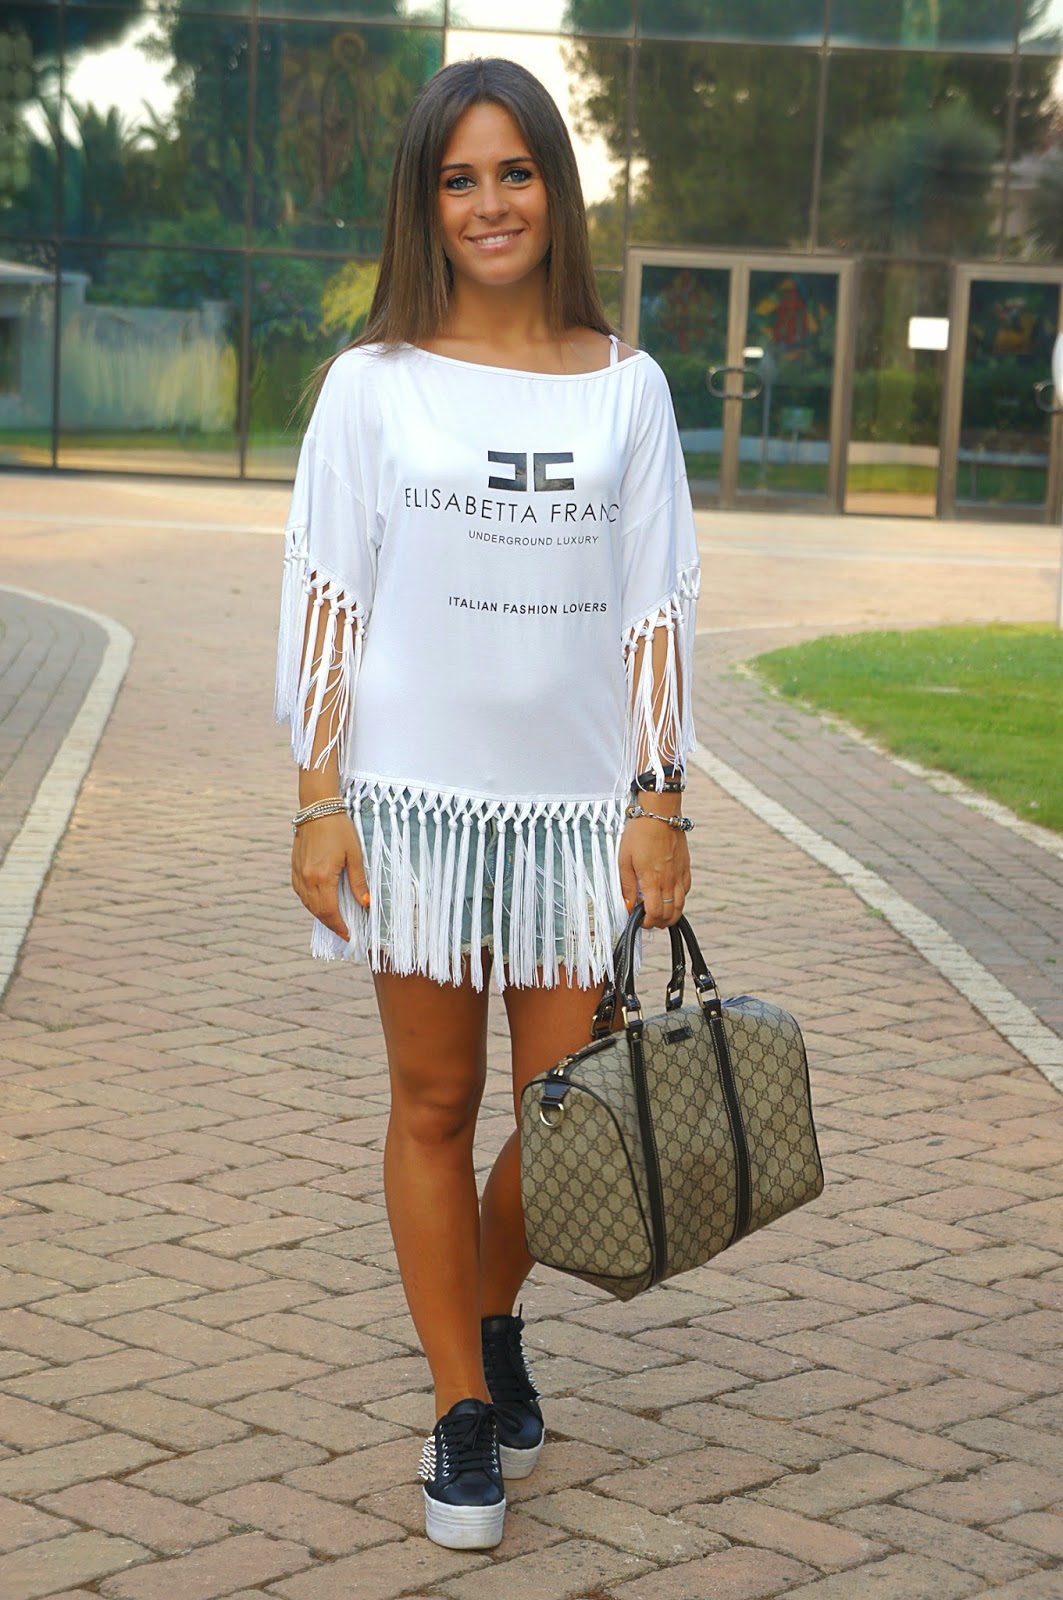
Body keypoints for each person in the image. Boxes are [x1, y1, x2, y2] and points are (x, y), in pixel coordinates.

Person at [275, 57, 699, 1553]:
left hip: (579, 816)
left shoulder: (629, 386)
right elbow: (327, 593)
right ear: (426, 201)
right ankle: (461, 1404)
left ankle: (489, 1312)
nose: (490, 202)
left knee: (566, 1113)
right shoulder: (372, 384)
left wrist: (661, 800)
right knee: (433, 1104)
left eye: (514, 171)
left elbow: (656, 604)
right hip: (417, 813)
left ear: (554, 191)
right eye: (460, 178)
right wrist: (318, 796)